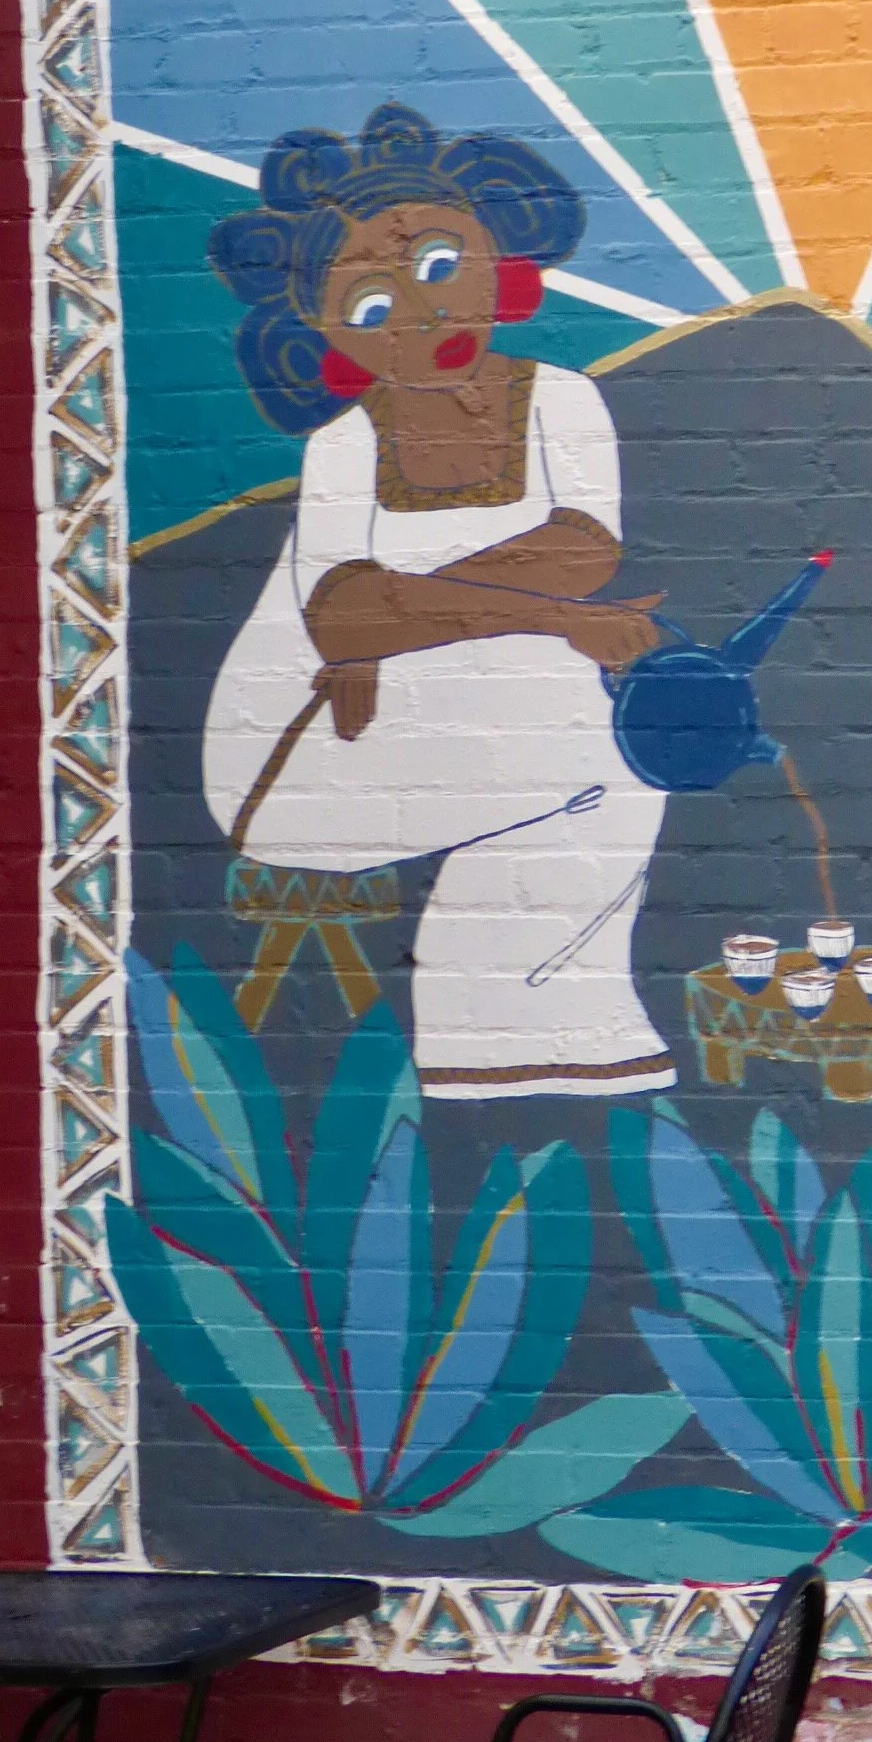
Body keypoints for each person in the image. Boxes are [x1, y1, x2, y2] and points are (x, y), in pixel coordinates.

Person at [202, 102, 676, 1099]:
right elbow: (338, 620)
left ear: (499, 257)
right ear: (328, 337)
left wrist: (415, 608)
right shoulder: (344, 447)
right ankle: (504, 1030)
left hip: (426, 700)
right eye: (373, 308)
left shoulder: (562, 403)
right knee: (594, 727)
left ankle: (515, 1030)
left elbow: (582, 551)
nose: (420, 317)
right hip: (302, 740)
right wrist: (550, 615)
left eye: (438, 268)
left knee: (618, 737)